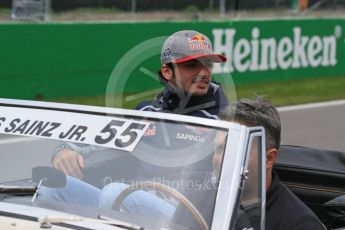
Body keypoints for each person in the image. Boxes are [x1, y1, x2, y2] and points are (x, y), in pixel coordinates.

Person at [39, 30, 229, 218]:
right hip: (136, 198)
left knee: (113, 193)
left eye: (207, 64)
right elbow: (99, 140)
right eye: (191, 65)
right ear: (167, 71)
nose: (204, 72)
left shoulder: (226, 118)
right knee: (53, 186)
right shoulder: (147, 112)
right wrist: (64, 150)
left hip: (187, 215)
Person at [218, 96, 326, 230]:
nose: (220, 158)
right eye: (219, 148)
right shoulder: (202, 201)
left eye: (235, 150)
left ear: (268, 158)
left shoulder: (299, 225)